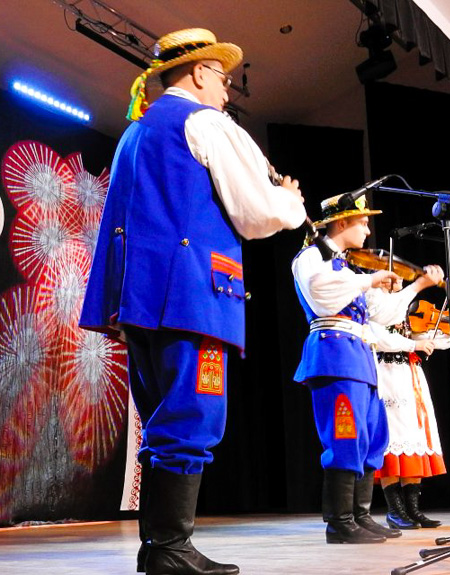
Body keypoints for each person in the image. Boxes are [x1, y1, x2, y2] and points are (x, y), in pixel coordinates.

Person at [79, 27, 306, 575]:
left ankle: (159, 549)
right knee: (194, 416)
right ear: (201, 72)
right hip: (190, 297)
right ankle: (171, 549)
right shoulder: (205, 121)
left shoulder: (135, 132)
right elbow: (257, 214)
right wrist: (291, 202)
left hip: (140, 302)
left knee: (163, 418)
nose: (227, 92)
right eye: (223, 79)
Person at [291, 193, 443, 544]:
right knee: (344, 438)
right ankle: (339, 522)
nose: (368, 229)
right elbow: (320, 293)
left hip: (359, 357)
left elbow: (384, 315)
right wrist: (369, 280)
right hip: (334, 353)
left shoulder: (346, 267)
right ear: (341, 222)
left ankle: (360, 514)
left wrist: (418, 285)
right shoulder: (312, 257)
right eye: (362, 222)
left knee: (372, 439)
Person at [371, 298, 450, 529]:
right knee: (391, 439)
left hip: (409, 374)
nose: (398, 285)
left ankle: (412, 510)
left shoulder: (405, 311)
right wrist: (413, 345)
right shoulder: (376, 307)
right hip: (385, 373)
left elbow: (428, 340)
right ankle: (395, 511)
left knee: (415, 437)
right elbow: (383, 340)